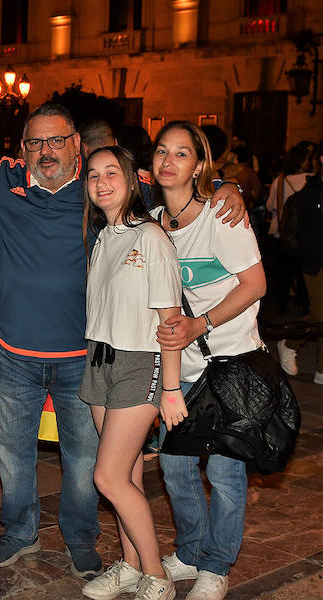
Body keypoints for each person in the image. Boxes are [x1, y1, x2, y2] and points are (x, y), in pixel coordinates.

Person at [0, 103, 246, 578]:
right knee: (13, 452)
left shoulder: (102, 182)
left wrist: (229, 186)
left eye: (57, 140)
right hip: (13, 351)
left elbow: (175, 178)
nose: (47, 151)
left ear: (77, 145)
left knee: (84, 459)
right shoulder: (3, 180)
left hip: (83, 358)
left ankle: (80, 537)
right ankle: (19, 531)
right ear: (22, 149)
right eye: (36, 142)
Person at [151, 121, 267, 600]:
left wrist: (203, 323)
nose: (169, 161)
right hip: (182, 371)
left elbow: (255, 284)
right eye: (162, 151)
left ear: (199, 166)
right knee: (176, 467)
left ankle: (217, 565)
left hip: (230, 362)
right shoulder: (153, 221)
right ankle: (192, 550)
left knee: (223, 472)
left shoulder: (222, 216)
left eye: (182, 153)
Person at [77, 146, 183, 600]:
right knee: (129, 475)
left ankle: (156, 575)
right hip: (100, 360)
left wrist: (172, 389)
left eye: (111, 173)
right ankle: (130, 565)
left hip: (140, 362)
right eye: (94, 175)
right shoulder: (103, 237)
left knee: (108, 478)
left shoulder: (151, 237)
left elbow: (171, 319)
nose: (101, 182)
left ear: (132, 179)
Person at [278, 141, 323, 383]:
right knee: (319, 311)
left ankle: (322, 371)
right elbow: (306, 233)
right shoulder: (310, 194)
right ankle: (290, 342)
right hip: (315, 261)